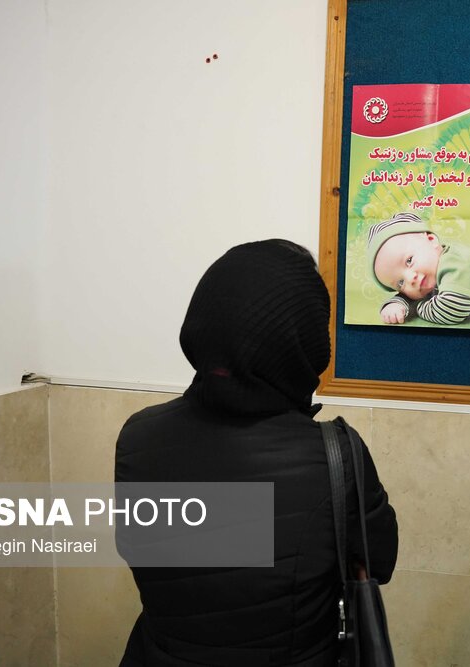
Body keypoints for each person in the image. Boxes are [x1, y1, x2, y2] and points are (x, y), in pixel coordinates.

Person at [115, 239, 398, 666]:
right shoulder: (336, 455)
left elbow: (137, 548)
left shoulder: (138, 436)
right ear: (305, 341)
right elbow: (379, 562)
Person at [367, 212, 470, 325]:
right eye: (400, 283)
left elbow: (452, 309)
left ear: (431, 240)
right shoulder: (431, 279)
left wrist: (418, 308)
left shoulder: (455, 262)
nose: (410, 279)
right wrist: (396, 305)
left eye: (409, 261)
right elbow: (410, 296)